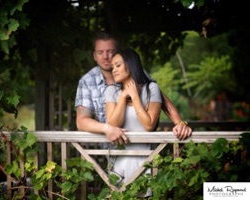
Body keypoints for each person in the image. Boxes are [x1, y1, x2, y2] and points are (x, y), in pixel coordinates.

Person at [75, 31, 192, 147]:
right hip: (107, 149)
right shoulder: (87, 81)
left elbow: (160, 98)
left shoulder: (135, 74)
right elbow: (81, 121)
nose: (106, 57)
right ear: (94, 55)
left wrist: (179, 122)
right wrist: (107, 128)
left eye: (110, 51)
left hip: (141, 146)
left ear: (117, 53)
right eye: (100, 52)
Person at [104, 48, 162, 195]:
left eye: (118, 65)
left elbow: (149, 125)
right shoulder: (111, 91)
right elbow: (113, 126)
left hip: (145, 162)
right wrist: (123, 98)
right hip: (119, 162)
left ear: (130, 64)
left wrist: (135, 97)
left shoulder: (151, 89)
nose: (114, 70)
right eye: (112, 67)